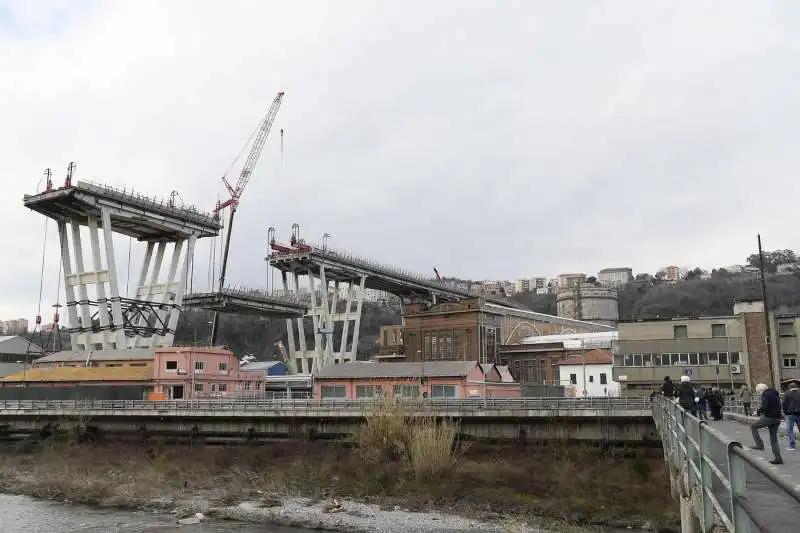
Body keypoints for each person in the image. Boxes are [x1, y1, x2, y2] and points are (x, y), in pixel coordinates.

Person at [750, 383, 783, 465]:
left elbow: (765, 406)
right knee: (773, 439)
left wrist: (757, 411)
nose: (759, 394)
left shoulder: (766, 394)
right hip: (777, 418)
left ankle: (759, 445)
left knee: (753, 426)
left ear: (761, 389)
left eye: (758, 392)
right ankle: (778, 458)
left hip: (769, 417)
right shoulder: (775, 394)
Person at [781, 380, 800, 451]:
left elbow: (784, 404)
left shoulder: (787, 393)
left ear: (789, 387)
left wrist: (785, 412)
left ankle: (792, 446)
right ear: (796, 387)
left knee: (790, 430)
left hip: (791, 414)